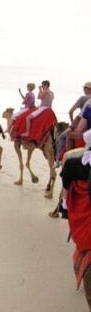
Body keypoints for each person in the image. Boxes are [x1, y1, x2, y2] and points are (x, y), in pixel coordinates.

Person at [60, 129, 91, 310]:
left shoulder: (72, 164)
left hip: (83, 217)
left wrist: (65, 203)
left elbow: (66, 188)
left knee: (65, 136)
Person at [55, 82, 91, 165]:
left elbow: (71, 111)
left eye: (84, 88)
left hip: (84, 127)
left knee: (64, 136)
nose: (83, 89)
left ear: (88, 89)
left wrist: (71, 126)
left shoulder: (85, 99)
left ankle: (60, 160)